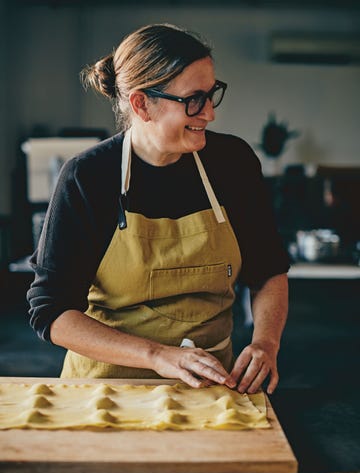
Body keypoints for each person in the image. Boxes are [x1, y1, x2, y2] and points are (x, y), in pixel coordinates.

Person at [27, 23, 290, 395]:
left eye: (212, 94)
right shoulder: (88, 177)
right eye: (193, 99)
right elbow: (50, 310)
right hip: (108, 389)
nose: (209, 114)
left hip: (214, 385)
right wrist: (157, 355)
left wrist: (266, 344)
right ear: (141, 104)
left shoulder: (233, 163)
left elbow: (268, 269)